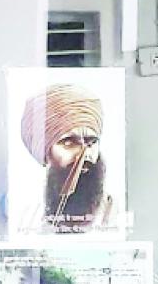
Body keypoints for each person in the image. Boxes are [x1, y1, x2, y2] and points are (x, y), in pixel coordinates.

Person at [19, 84, 114, 234]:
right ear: (45, 151)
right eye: (69, 143)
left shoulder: (115, 212)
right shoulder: (26, 214)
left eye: (91, 142)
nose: (84, 154)